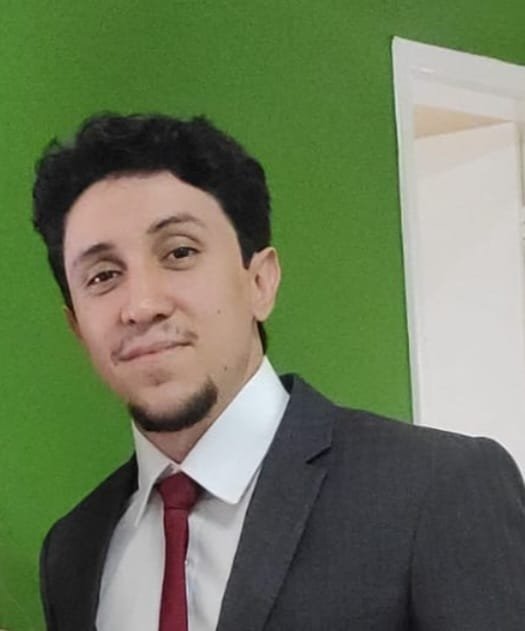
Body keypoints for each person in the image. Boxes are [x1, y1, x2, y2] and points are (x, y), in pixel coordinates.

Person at [33, 113, 525, 631]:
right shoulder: (73, 550)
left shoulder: (437, 488)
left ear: (260, 282)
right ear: (77, 327)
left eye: (179, 252)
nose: (142, 305)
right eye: (103, 276)